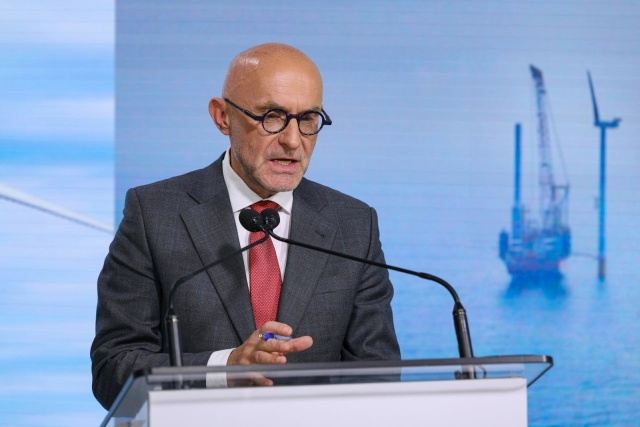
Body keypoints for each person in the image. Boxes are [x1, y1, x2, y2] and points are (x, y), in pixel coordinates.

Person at [90, 42, 400, 410]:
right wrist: (224, 368)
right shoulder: (155, 215)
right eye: (272, 116)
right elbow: (113, 370)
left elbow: (378, 377)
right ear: (222, 117)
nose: (292, 140)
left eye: (308, 119)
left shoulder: (353, 225)